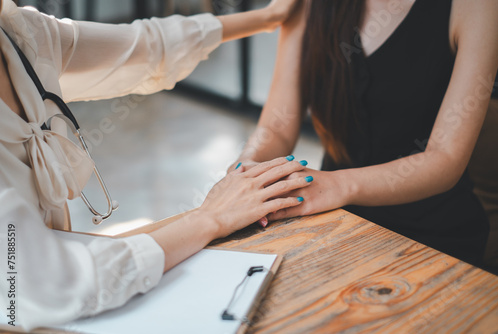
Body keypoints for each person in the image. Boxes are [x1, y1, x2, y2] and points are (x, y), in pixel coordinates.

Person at [0, 0, 313, 330]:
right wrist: (209, 218)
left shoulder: (18, 32)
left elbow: (146, 45)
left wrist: (269, 17)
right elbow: (51, 286)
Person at [230, 0, 498, 267]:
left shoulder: (478, 7)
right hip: (331, 221)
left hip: (431, 236)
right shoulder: (308, 5)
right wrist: (249, 165)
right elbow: (276, 126)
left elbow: (445, 157)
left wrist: (335, 186)